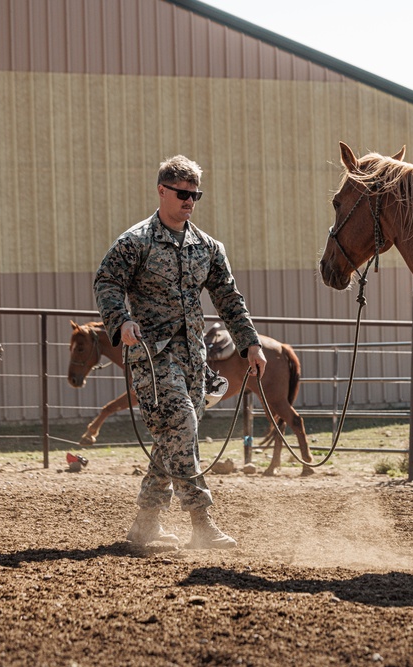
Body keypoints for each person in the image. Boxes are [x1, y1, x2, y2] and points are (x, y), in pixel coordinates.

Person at [94, 155, 266, 549]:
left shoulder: (207, 247)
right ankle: (202, 523)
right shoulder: (135, 241)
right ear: (161, 190)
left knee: (171, 440)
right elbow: (106, 282)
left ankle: (144, 526)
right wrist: (121, 321)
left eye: (195, 194)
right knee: (183, 428)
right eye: (183, 193)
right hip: (153, 361)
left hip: (195, 362)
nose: (190, 201)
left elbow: (229, 299)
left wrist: (250, 343)